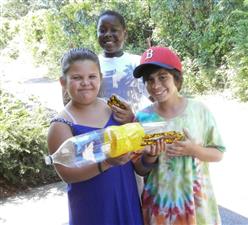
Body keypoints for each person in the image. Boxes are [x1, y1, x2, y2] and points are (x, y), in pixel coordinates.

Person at [47, 48, 144, 225]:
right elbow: (67, 174)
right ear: (63, 81)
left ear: (100, 78)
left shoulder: (116, 108)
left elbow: (137, 143)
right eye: (77, 78)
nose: (85, 83)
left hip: (125, 196)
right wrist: (107, 162)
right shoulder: (61, 124)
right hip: (92, 207)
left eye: (92, 76)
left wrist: (132, 120)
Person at [132, 46, 226, 225]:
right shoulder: (142, 118)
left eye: (162, 77)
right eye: (149, 80)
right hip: (160, 206)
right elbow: (139, 169)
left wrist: (194, 149)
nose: (156, 85)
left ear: (176, 78)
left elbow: (218, 153)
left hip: (196, 204)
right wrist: (150, 157)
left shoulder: (199, 111)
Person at [96, 9, 151, 197]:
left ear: (125, 33)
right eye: (102, 30)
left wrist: (133, 118)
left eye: (114, 30)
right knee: (105, 187)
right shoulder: (92, 63)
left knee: (133, 188)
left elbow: (152, 99)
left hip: (133, 133)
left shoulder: (136, 62)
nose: (108, 35)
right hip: (101, 136)